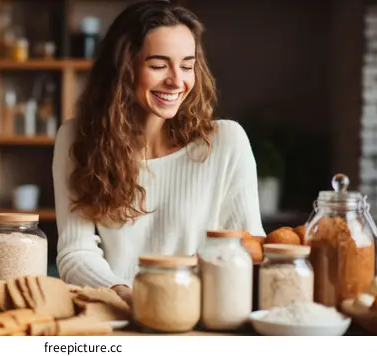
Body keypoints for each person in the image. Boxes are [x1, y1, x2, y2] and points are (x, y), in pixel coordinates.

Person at [52, 0, 266, 304]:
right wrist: (127, 296)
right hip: (117, 314)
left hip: (200, 319)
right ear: (123, 69)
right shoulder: (77, 139)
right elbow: (76, 252)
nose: (177, 81)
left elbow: (248, 249)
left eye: (187, 65)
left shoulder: (227, 142)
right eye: (158, 65)